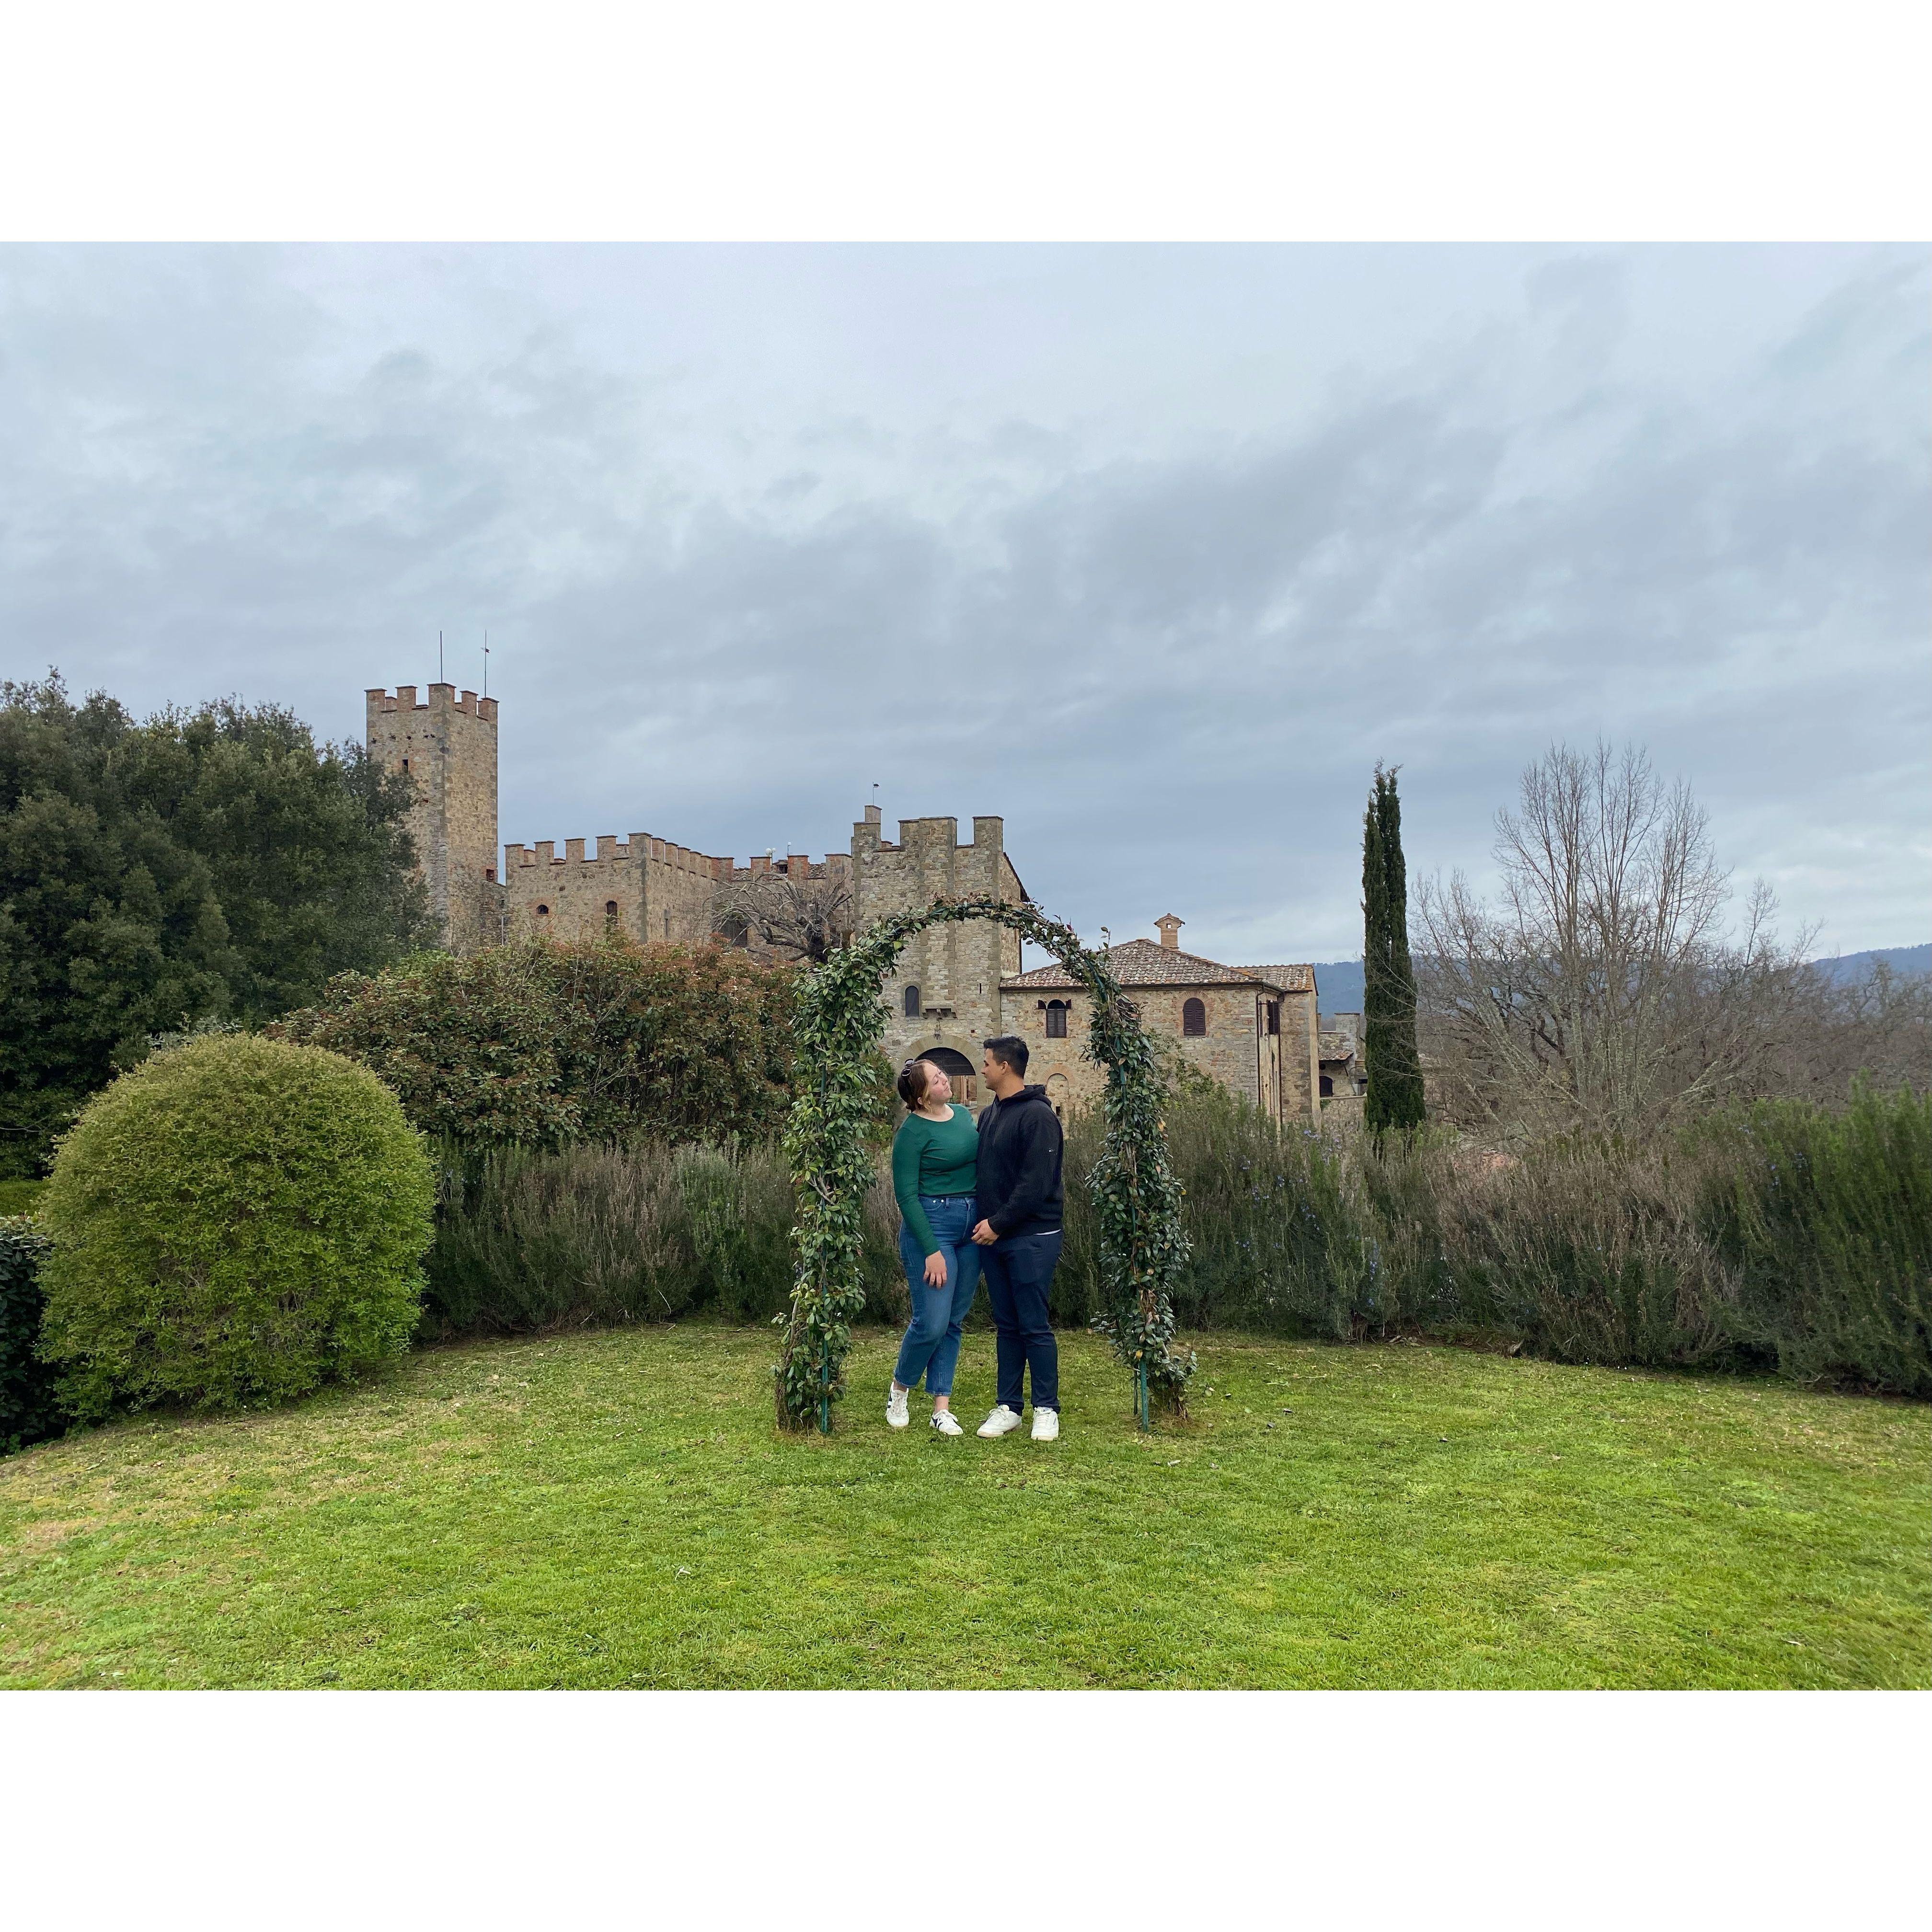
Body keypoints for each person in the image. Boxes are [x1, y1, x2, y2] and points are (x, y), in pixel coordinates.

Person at [969, 1035, 1065, 1441]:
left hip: (1032, 1237)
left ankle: (1047, 1409)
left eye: (988, 1062)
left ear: (1006, 1067)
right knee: (1007, 1325)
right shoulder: (990, 1114)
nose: (983, 1068)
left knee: (1033, 1324)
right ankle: (1008, 1406)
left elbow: (1035, 1185)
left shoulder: (1038, 1117)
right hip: (996, 1238)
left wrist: (998, 1223)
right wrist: (985, 1224)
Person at [886, 1056, 982, 1436]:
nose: (945, 1079)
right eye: (937, 1079)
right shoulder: (911, 1134)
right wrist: (931, 1250)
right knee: (931, 1322)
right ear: (922, 1098)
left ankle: (941, 1407)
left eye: (942, 1074)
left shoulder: (962, 1115)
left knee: (954, 1321)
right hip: (932, 1226)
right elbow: (906, 1196)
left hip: (971, 1224)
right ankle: (899, 1389)